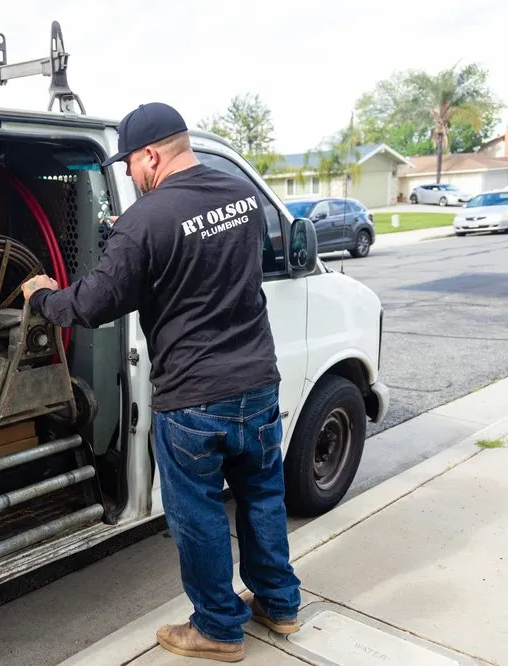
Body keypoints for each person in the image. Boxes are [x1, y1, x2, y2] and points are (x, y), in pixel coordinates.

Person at [22, 102, 301, 662]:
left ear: (152, 154)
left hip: (193, 398)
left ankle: (219, 629)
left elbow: (96, 302)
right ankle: (279, 604)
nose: (128, 173)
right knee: (262, 497)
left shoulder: (144, 221)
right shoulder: (241, 197)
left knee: (196, 514)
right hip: (257, 383)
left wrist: (42, 296)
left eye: (130, 163)